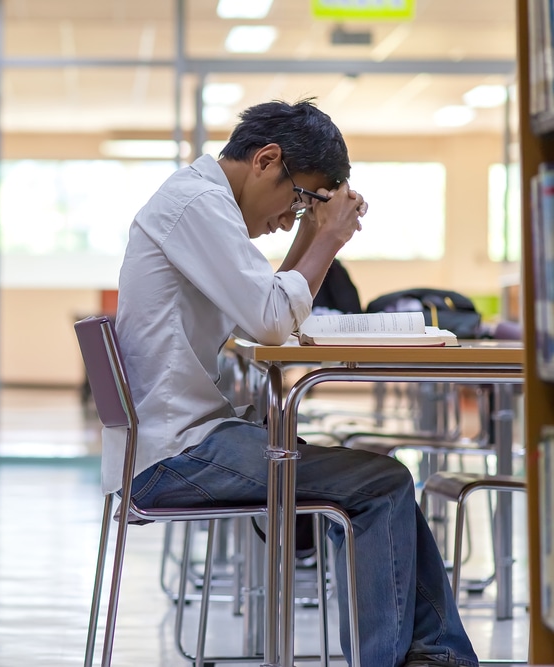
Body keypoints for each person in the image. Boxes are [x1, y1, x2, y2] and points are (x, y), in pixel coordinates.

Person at [104, 99, 477, 667]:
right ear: (266, 159)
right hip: (175, 456)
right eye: (298, 199)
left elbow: (271, 304)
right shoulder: (197, 205)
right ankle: (422, 657)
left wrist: (318, 230)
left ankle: (434, 657)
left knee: (373, 482)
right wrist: (325, 237)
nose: (288, 218)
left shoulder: (200, 200)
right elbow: (273, 320)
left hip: (179, 442)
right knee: (380, 483)